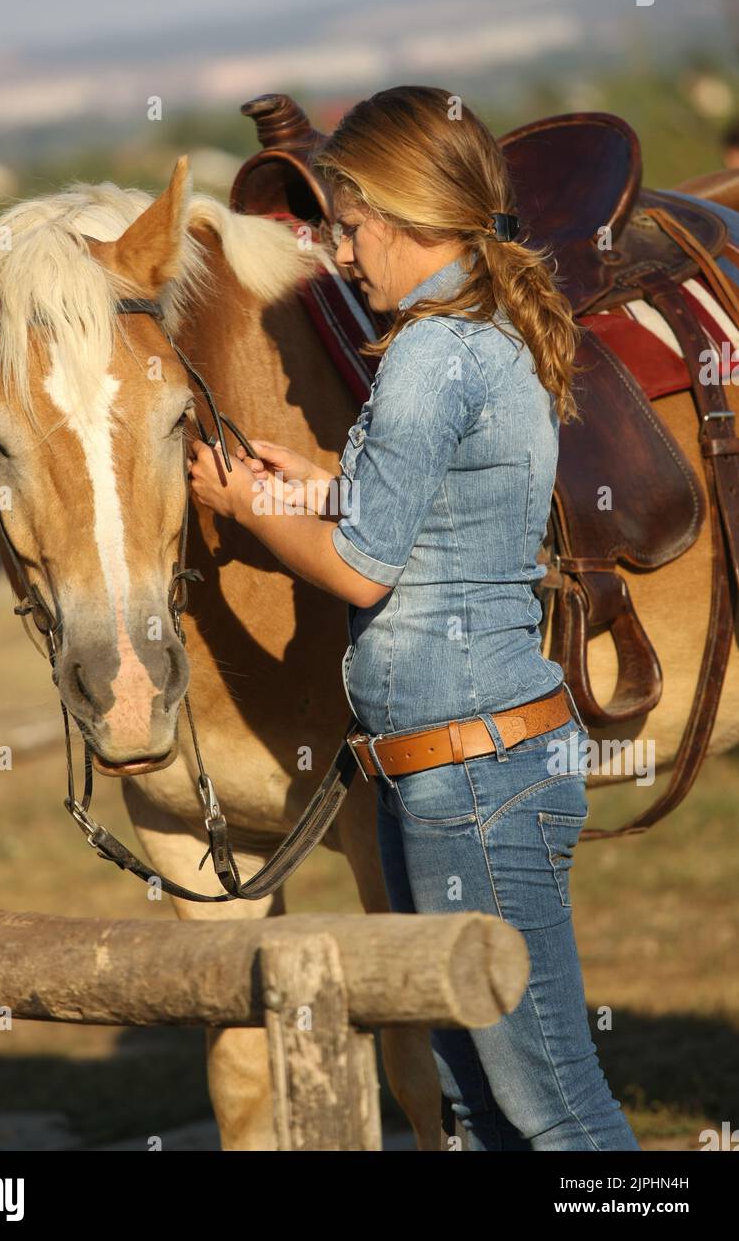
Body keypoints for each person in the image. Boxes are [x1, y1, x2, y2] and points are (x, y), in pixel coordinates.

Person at [187, 84, 640, 1151]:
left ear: (398, 213)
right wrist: (311, 476)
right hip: (447, 769)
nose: (341, 257)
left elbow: (358, 570)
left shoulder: (431, 353)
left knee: (552, 1109)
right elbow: (422, 502)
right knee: (475, 1107)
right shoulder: (471, 324)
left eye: (347, 229)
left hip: (468, 777)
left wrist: (248, 505)